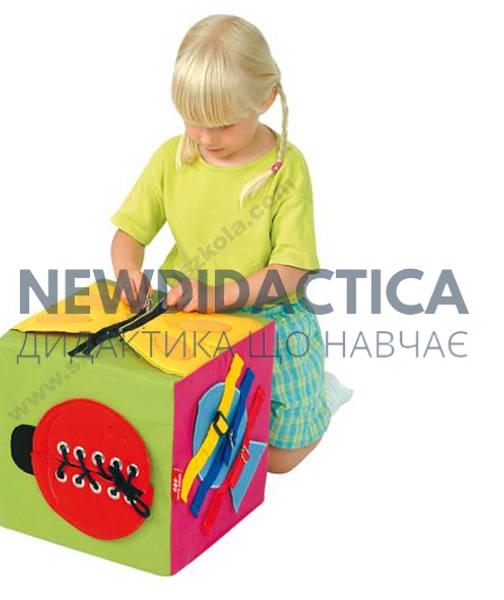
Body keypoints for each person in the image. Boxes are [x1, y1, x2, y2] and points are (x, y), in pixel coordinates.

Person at [110, 15, 350, 474]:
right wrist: (129, 274)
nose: (205, 138)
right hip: (187, 310)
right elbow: (128, 235)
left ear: (266, 99)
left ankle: (323, 394)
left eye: (221, 124)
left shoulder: (286, 168)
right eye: (193, 121)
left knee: (276, 461)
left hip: (267, 314)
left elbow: (290, 271)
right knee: (178, 439)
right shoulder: (171, 157)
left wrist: (220, 296)